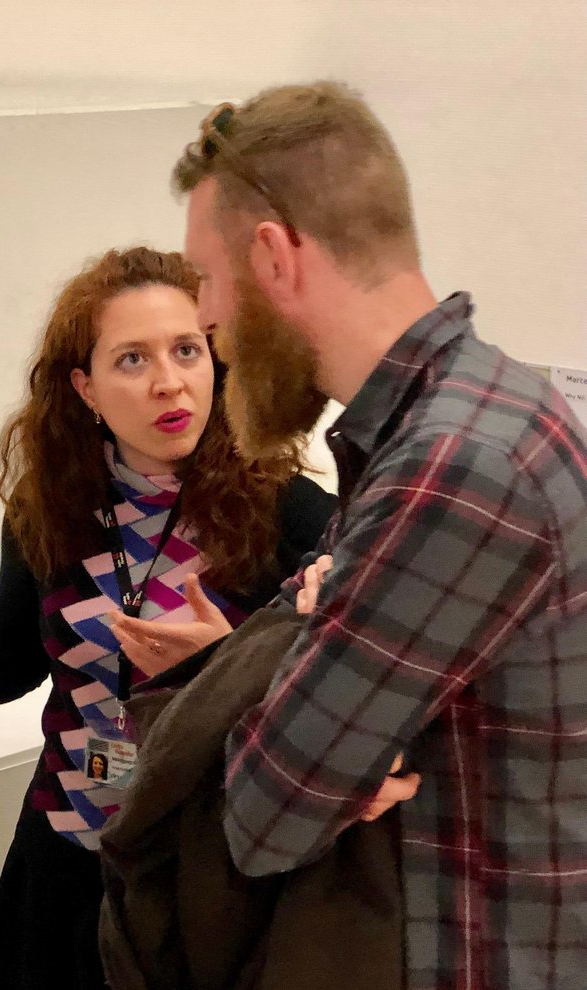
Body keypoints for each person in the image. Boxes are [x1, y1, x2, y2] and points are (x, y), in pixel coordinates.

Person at [172, 80, 587, 988]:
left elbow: (267, 813)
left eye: (205, 277)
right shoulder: (486, 407)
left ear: (274, 256)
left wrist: (282, 678)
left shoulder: (454, 469)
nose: (203, 315)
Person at [0, 246, 336, 990]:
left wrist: (224, 664)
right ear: (84, 387)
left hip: (203, 870)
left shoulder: (289, 512)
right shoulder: (47, 510)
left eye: (187, 350)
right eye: (131, 359)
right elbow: (16, 650)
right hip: (65, 847)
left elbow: (338, 700)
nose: (168, 381)